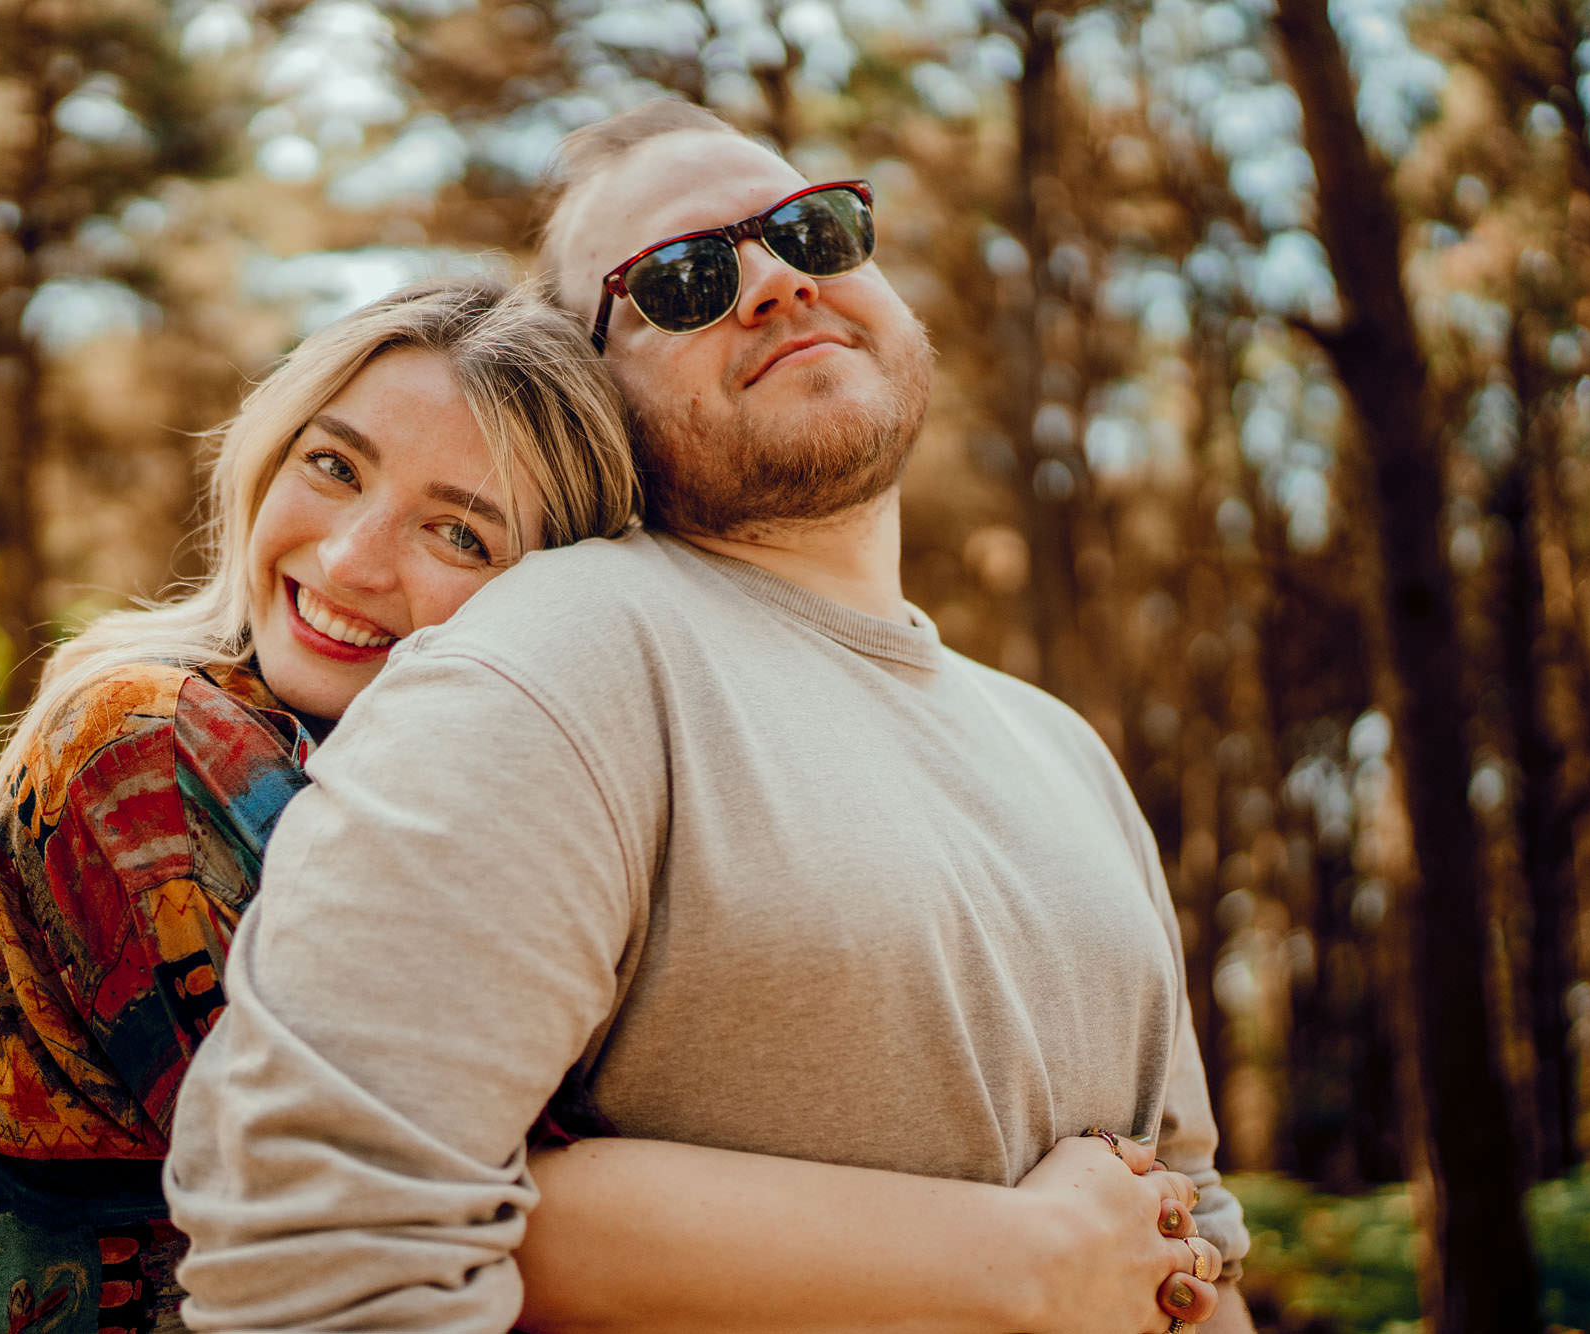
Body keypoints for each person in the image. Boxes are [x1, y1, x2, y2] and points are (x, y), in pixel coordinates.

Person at [164, 101, 1254, 1334]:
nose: (776, 281)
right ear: (589, 393)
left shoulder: (1057, 744)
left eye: (814, 227)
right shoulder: (563, 649)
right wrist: (1001, 1260)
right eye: (680, 280)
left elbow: (1191, 1242)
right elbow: (323, 1239)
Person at [0, 279, 640, 1334]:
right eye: (334, 465)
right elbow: (455, 1206)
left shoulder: (410, 792)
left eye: (457, 534)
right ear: (271, 452)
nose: (348, 558)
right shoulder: (150, 743)